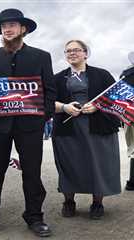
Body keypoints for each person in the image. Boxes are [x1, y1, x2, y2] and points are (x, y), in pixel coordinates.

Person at [0, 8, 56, 239]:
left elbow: (50, 90)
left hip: (31, 125)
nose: (7, 29)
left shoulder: (41, 56)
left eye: (12, 25)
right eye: (3, 26)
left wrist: (43, 116)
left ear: (23, 29)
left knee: (32, 172)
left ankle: (35, 217)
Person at [52, 40, 121, 220]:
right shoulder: (57, 78)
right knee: (69, 165)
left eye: (76, 50)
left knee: (98, 165)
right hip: (68, 129)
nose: (72, 53)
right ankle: (68, 201)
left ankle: (97, 203)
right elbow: (47, 102)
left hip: (98, 127)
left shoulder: (102, 74)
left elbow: (116, 98)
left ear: (85, 53)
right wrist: (65, 107)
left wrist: (98, 106)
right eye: (68, 51)